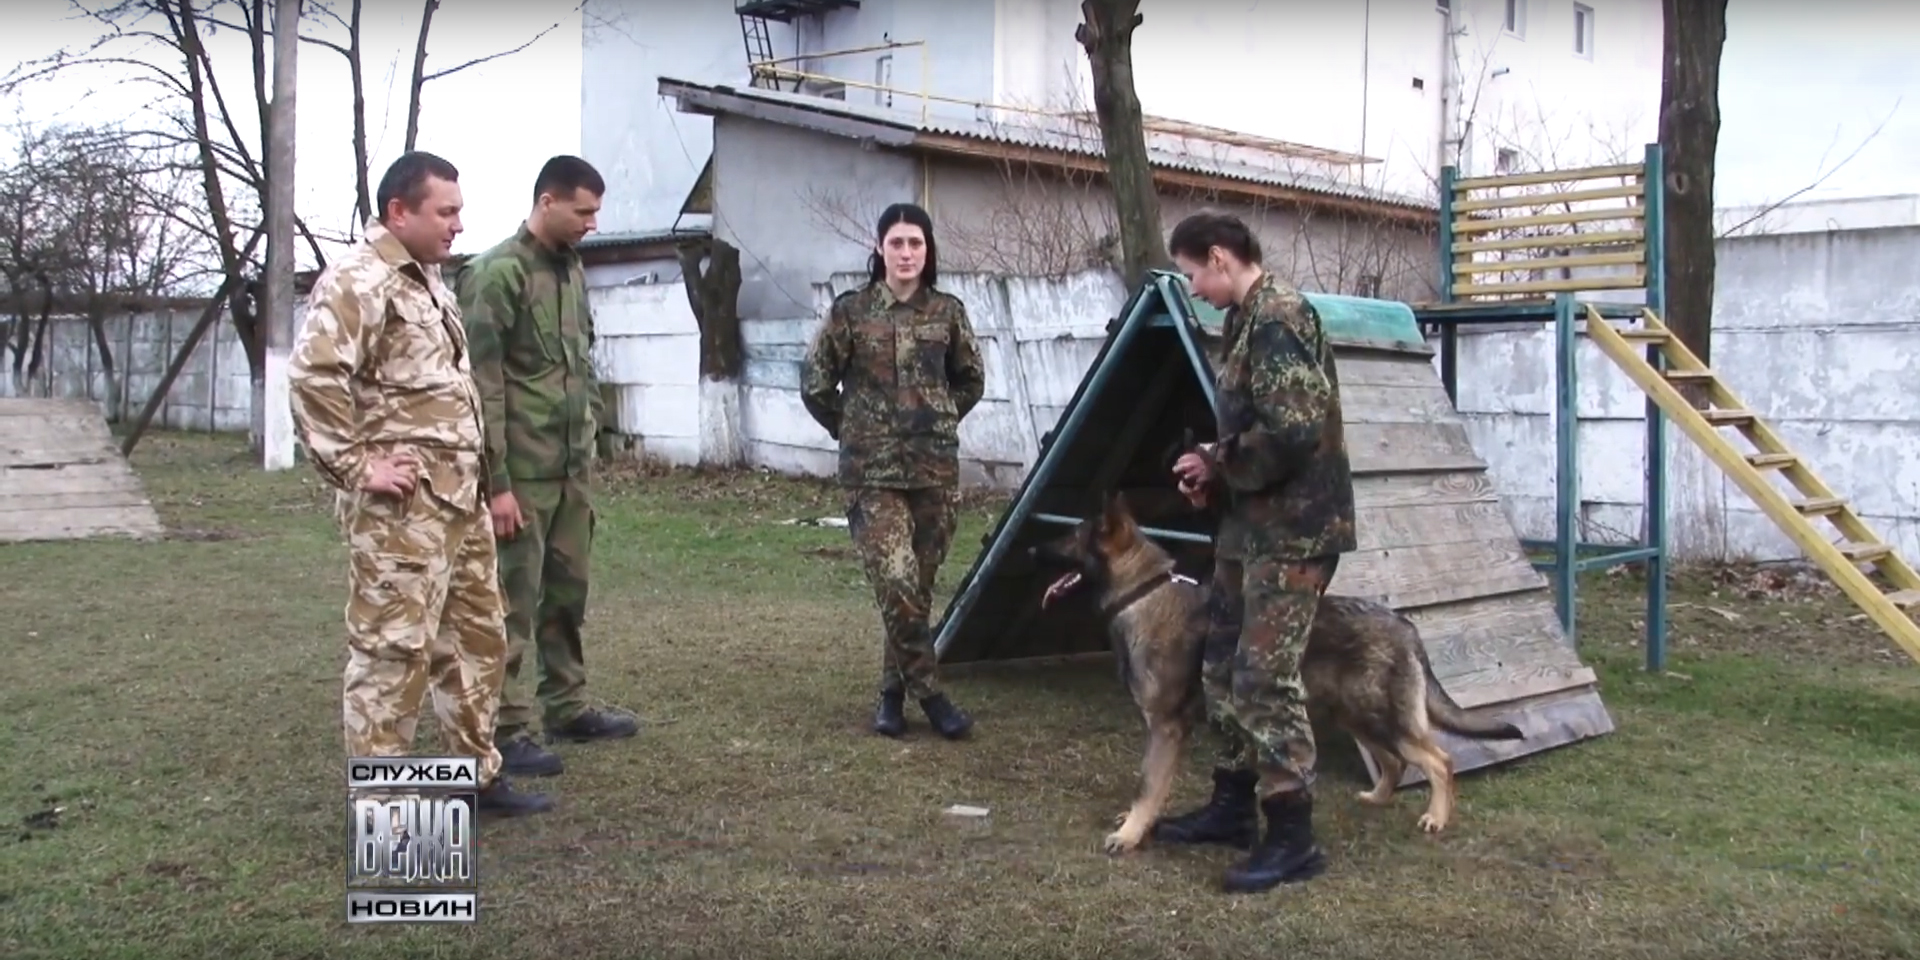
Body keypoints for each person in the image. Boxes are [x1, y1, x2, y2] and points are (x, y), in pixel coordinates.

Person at [287, 150, 551, 816]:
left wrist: (484, 482)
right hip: (402, 512)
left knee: (477, 641)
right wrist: (357, 467)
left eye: (460, 211)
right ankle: (385, 811)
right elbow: (314, 377)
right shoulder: (360, 279)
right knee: (392, 655)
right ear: (398, 212)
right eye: (446, 211)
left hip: (457, 502)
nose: (458, 225)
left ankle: (474, 777)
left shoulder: (429, 281)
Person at [1154, 211, 1356, 893]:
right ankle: (1233, 805)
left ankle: (1292, 835)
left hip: (1294, 534)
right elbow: (1257, 429)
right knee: (1221, 665)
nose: (1193, 289)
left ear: (1219, 257)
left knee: (1265, 678)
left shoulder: (1278, 317)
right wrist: (1212, 465)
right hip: (1251, 531)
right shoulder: (1244, 321)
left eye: (1192, 274)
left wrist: (1219, 461)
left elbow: (1294, 430)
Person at [457, 155, 639, 779]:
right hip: (521, 477)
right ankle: (505, 728)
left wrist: (593, 440)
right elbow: (482, 388)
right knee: (508, 604)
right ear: (547, 202)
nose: (593, 223)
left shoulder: (571, 271)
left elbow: (579, 366)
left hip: (569, 472)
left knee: (567, 595)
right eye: (584, 211)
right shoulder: (495, 274)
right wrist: (496, 485)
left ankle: (567, 704)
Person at [800, 202, 988, 741]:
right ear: (879, 249)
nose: (906, 253)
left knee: (916, 591)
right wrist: (851, 428)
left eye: (916, 243)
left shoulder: (947, 313)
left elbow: (971, 379)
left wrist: (938, 416)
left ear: (928, 251)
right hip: (871, 474)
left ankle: (890, 694)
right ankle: (931, 696)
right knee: (897, 581)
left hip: (933, 472)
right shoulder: (851, 312)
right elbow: (815, 383)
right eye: (896, 243)